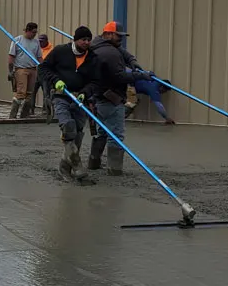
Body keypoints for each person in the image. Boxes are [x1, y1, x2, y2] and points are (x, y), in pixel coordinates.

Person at [88, 21, 151, 175]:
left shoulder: (97, 45)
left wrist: (133, 62)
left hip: (97, 98)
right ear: (108, 34)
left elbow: (123, 52)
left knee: (101, 131)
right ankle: (114, 169)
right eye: (118, 36)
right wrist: (142, 76)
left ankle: (94, 162)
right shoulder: (111, 53)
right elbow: (120, 76)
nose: (120, 39)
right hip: (111, 98)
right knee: (116, 135)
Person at [38, 26, 97, 181]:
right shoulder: (60, 51)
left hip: (80, 100)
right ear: (75, 39)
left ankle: (64, 168)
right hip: (61, 96)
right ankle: (77, 166)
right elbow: (43, 68)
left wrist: (85, 92)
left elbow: (95, 82)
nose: (86, 42)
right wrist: (56, 80)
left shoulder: (92, 57)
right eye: (83, 39)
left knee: (77, 134)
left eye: (88, 40)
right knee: (68, 126)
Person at [8, 22, 42, 118]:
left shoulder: (36, 42)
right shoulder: (17, 40)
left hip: (33, 69)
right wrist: (10, 71)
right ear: (27, 30)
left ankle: (24, 115)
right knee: (21, 93)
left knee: (30, 94)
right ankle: (12, 115)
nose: (34, 34)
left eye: (36, 32)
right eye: (33, 32)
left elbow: (39, 57)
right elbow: (11, 56)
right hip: (21, 69)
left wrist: (43, 67)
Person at [32, 33, 55, 117]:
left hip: (45, 74)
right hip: (35, 72)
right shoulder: (36, 48)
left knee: (46, 93)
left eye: (42, 41)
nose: (40, 43)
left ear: (46, 41)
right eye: (39, 41)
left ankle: (46, 110)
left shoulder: (51, 50)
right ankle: (31, 110)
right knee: (32, 92)